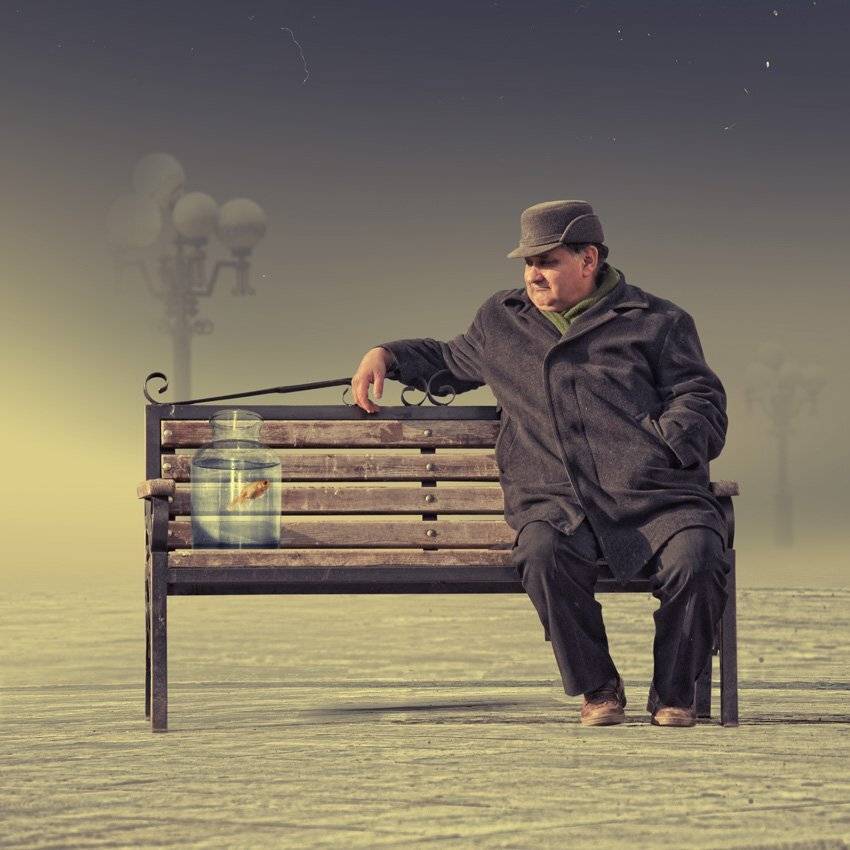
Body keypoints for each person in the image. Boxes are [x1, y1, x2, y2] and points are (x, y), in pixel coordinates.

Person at [350, 199, 731, 728]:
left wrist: (664, 446)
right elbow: (450, 360)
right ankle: (599, 688)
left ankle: (675, 693)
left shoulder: (657, 321)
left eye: (547, 260)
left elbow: (700, 394)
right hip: (556, 498)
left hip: (652, 494)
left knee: (699, 555)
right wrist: (386, 355)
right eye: (528, 263)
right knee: (541, 552)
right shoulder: (501, 321)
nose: (533, 274)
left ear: (588, 259)